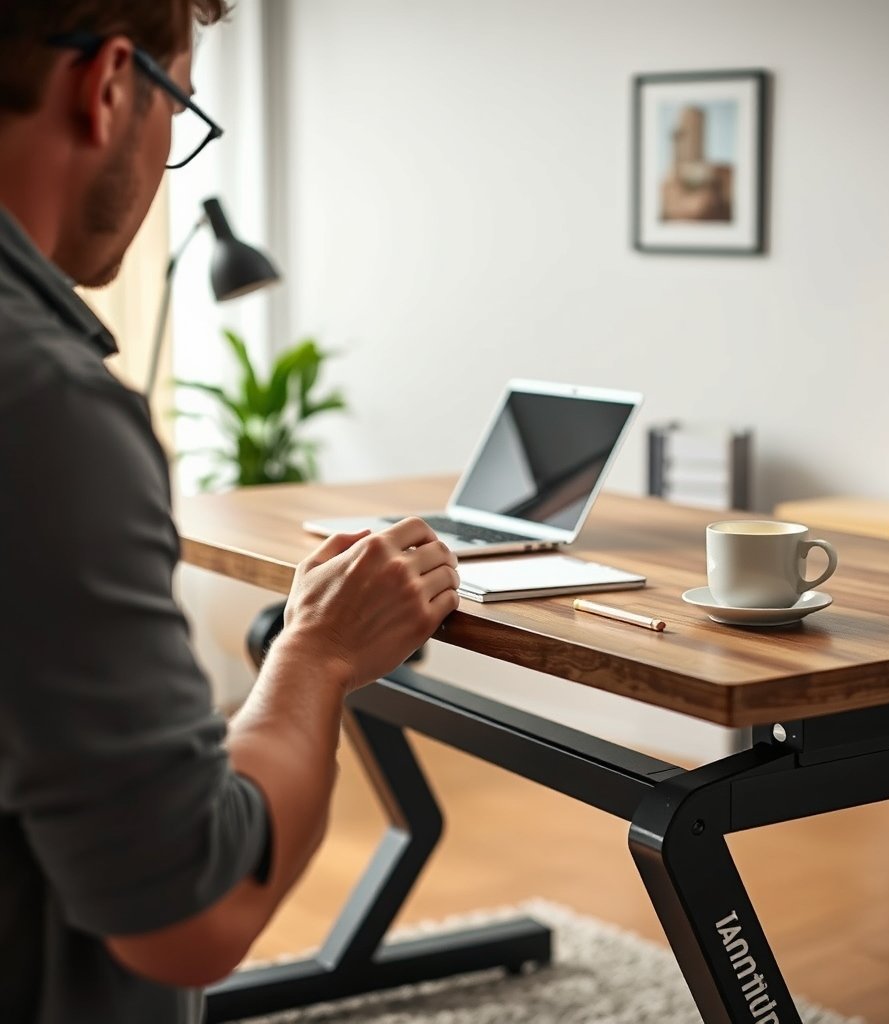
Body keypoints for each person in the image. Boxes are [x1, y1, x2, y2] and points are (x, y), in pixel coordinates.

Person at [0, 3, 461, 1022]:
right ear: (109, 86)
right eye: (180, 108)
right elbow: (191, 912)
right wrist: (314, 657)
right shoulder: (41, 409)